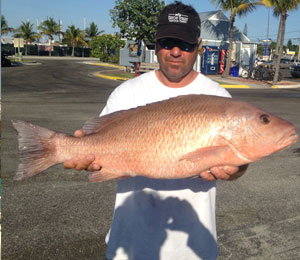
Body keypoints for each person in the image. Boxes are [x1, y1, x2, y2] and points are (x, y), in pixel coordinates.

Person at [64, 1, 247, 259]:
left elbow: (237, 162)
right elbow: (96, 147)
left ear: (198, 47)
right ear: (155, 43)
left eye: (184, 44)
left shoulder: (218, 97)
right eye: (167, 42)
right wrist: (80, 151)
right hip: (129, 245)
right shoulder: (127, 92)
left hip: (193, 249)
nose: (175, 51)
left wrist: (237, 169)